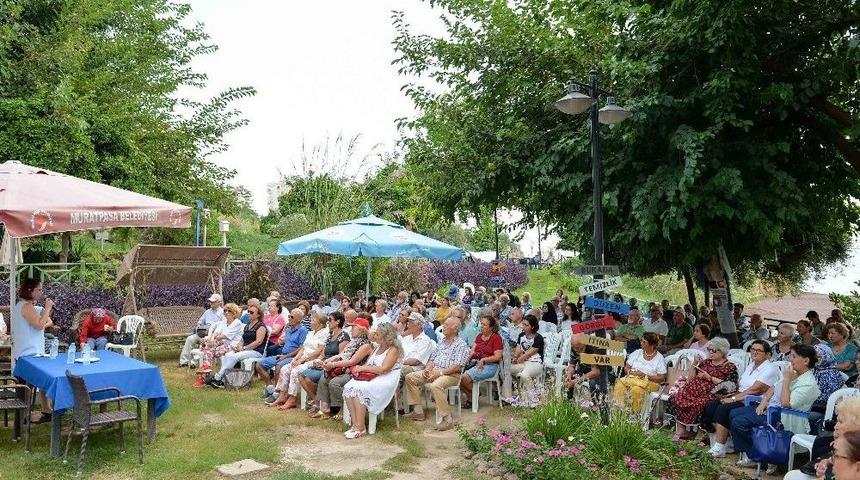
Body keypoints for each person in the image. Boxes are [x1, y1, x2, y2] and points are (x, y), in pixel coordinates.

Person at [729, 344, 820, 468]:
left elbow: (786, 404)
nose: (790, 360)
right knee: (734, 413)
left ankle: (761, 455)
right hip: (773, 410)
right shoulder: (795, 373)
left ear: (806, 360)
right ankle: (759, 453)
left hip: (787, 418)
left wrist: (787, 380)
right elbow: (773, 387)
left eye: (794, 357)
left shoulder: (809, 384)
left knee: (739, 421)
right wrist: (764, 401)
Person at [705, 340, 778, 457]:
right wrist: (729, 395)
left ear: (767, 354)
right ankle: (727, 442)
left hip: (752, 400)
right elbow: (741, 386)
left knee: (723, 409)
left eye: (759, 350)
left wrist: (733, 398)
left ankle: (719, 447)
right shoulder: (751, 365)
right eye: (753, 349)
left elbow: (754, 390)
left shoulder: (769, 369)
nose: (754, 352)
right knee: (711, 405)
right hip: (740, 395)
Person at [404, 316, 470, 431]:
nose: (443, 327)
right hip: (435, 371)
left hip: (451, 375)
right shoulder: (442, 342)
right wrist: (428, 369)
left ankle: (447, 419)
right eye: (444, 325)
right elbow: (432, 359)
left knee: (436, 385)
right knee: (410, 377)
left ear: (455, 329)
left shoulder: (461, 344)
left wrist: (439, 373)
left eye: (446, 325)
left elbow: (457, 366)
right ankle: (418, 411)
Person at [342, 323, 404, 439]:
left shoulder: (394, 349)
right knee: (348, 386)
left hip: (386, 378)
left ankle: (361, 427)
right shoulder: (377, 347)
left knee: (360, 389)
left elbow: (384, 369)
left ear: (386, 336)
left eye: (377, 333)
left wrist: (362, 368)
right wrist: (358, 370)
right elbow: (368, 364)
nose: (375, 335)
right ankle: (355, 424)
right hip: (372, 375)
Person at [668, 337, 738, 438]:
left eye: (713, 350)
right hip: (692, 391)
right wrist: (694, 363)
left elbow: (731, 385)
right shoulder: (706, 362)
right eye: (709, 349)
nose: (710, 352)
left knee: (700, 404)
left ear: (722, 351)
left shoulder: (730, 367)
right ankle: (682, 430)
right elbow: (690, 379)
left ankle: (702, 433)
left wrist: (710, 378)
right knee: (676, 397)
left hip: (712, 393)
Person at [12, 278, 55, 423]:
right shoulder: (26, 306)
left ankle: (45, 410)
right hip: (29, 354)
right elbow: (39, 325)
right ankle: (24, 416)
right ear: (30, 290)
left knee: (39, 382)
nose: (41, 292)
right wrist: (48, 307)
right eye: (39, 289)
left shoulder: (22, 306)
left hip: (28, 352)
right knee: (28, 386)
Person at [265, 310, 329, 409]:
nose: (310, 322)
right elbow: (303, 348)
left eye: (313, 320)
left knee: (295, 371)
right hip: (303, 358)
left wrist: (302, 359)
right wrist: (295, 359)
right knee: (285, 368)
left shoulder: (324, 333)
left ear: (320, 323)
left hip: (314, 360)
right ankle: (282, 396)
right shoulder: (311, 333)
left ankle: (292, 399)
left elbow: (318, 351)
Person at [313, 317, 373, 420]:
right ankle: (325, 409)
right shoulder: (353, 342)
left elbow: (352, 361)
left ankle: (343, 409)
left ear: (361, 329)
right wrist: (326, 361)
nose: (351, 329)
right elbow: (341, 355)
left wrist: (333, 365)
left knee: (335, 382)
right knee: (324, 378)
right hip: (344, 369)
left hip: (354, 372)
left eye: (353, 327)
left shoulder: (366, 345)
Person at [300, 312, 351, 414]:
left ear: (338, 322)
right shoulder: (330, 336)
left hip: (334, 366)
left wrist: (327, 363)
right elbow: (323, 354)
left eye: (330, 320)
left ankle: (321, 404)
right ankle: (316, 400)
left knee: (311, 378)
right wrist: (318, 360)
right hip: (324, 363)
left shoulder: (344, 336)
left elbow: (341, 356)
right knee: (301, 375)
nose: (328, 322)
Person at [205, 307, 267, 388]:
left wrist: (244, 348)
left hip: (257, 351)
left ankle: (218, 377)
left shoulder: (261, 326)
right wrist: (239, 346)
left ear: (258, 315)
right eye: (248, 311)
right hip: (247, 350)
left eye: (252, 312)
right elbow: (242, 339)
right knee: (229, 355)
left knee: (234, 356)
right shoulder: (248, 325)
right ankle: (224, 380)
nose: (249, 313)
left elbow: (258, 342)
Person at [613, 332, 667, 411]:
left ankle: (635, 414)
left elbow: (661, 378)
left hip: (650, 382)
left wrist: (644, 375)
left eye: (644, 342)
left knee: (636, 390)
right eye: (641, 341)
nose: (641, 343)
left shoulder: (659, 358)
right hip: (633, 378)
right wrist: (629, 372)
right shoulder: (637, 352)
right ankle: (618, 410)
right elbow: (627, 367)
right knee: (619, 384)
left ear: (652, 345)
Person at [460, 314, 503, 408]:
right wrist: (468, 358)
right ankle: (472, 396)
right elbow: (473, 350)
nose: (481, 326)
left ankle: (475, 394)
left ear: (491, 327)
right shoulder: (479, 336)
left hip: (491, 366)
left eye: (484, 325)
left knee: (463, 378)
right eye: (481, 324)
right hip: (476, 362)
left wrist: (484, 359)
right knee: (456, 377)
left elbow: (498, 356)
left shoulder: (496, 338)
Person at [257, 308, 309, 384]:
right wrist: (280, 343)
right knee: (259, 364)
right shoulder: (289, 329)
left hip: (293, 357)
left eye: (292, 317)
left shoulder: (303, 330)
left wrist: (285, 356)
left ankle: (277, 392)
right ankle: (270, 387)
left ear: (298, 319)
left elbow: (301, 348)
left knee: (278, 367)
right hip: (282, 355)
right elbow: (286, 343)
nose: (289, 318)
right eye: (289, 316)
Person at [195, 303, 244, 380]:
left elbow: (225, 336)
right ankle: (206, 369)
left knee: (208, 349)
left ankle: (204, 374)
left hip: (232, 345)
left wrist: (212, 340)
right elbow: (216, 332)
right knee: (208, 346)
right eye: (225, 310)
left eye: (229, 311)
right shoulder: (224, 321)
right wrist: (211, 339)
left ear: (234, 312)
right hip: (221, 343)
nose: (226, 312)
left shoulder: (237, 322)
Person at [507, 314, 545, 406]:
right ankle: (511, 396)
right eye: (523, 324)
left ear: (532, 327)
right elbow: (518, 348)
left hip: (535, 363)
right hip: (523, 362)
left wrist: (518, 359)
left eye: (526, 325)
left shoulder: (538, 338)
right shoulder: (521, 335)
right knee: (507, 369)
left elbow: (529, 353)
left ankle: (533, 400)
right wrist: (515, 357)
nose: (523, 327)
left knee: (523, 375)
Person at [179, 293, 223, 367]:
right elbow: (200, 322)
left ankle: (194, 363)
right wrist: (199, 326)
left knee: (205, 342)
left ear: (219, 302)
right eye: (210, 301)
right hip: (203, 333)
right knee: (190, 339)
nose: (211, 303)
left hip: (213, 336)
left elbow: (222, 328)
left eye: (213, 302)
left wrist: (210, 336)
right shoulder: (207, 312)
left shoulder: (222, 312)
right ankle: (184, 361)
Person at [566, 334, 607, 402]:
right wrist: (569, 374)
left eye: (580, 348)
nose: (577, 350)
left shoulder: (594, 348)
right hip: (584, 370)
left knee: (593, 383)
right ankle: (568, 403)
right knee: (568, 379)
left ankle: (596, 406)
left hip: (601, 373)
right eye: (575, 348)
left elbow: (595, 372)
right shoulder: (574, 348)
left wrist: (577, 380)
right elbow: (572, 366)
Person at [400, 312, 436, 380]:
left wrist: (400, 362)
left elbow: (416, 361)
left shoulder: (425, 340)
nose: (408, 326)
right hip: (402, 364)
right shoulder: (407, 338)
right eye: (408, 323)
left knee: (395, 371)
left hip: (414, 368)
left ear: (419, 325)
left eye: (411, 323)